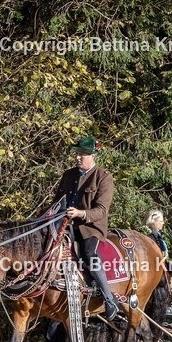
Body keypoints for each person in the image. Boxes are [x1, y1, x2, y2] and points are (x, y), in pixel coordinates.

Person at [50, 136, 119, 320]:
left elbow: (102, 210)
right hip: (63, 227)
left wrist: (81, 214)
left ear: (93, 155)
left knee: (90, 255)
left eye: (82, 154)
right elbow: (56, 202)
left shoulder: (103, 177)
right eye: (77, 154)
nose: (78, 157)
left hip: (90, 229)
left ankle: (109, 299)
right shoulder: (69, 175)